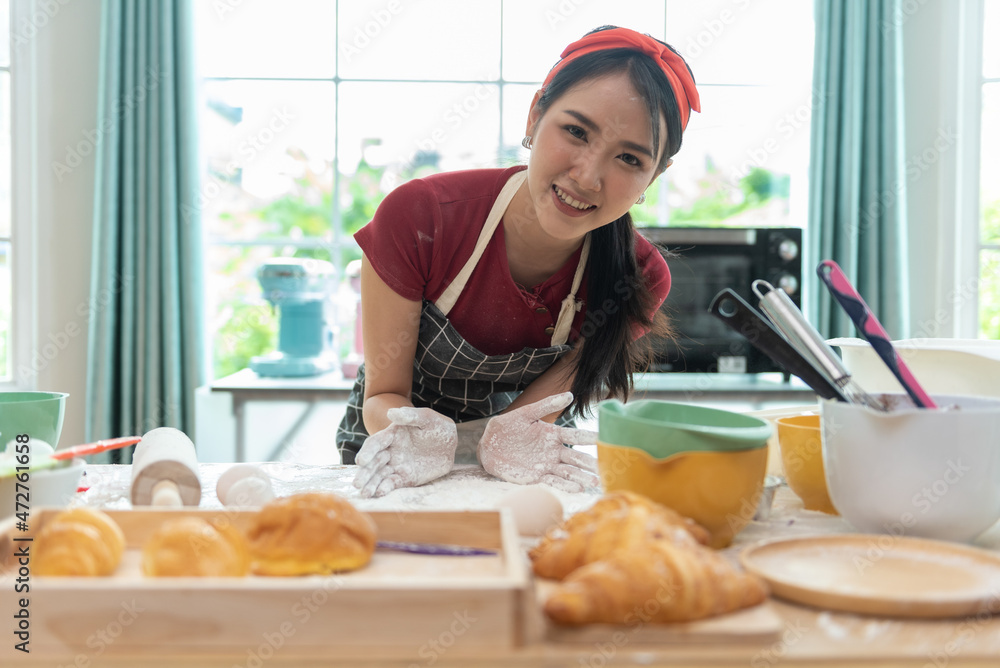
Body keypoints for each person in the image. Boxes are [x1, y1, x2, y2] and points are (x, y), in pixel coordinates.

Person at [337, 25, 701, 498]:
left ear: (656, 174)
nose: (588, 177)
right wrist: (418, 438)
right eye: (575, 131)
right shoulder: (420, 217)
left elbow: (517, 427)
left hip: (518, 464)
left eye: (629, 159)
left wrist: (496, 447)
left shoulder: (640, 279)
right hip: (394, 459)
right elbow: (384, 395)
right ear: (534, 115)